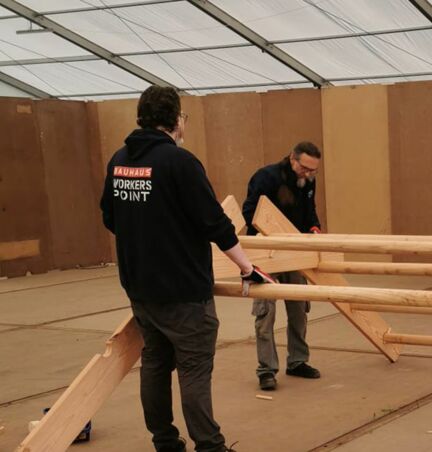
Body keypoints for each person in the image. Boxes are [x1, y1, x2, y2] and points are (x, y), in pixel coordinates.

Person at [100, 85, 271, 452]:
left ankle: (165, 442)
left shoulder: (119, 161)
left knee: (156, 364)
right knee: (194, 370)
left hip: (141, 289)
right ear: (176, 119)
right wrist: (246, 267)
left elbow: (110, 217)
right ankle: (210, 446)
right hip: (182, 291)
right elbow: (216, 224)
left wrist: (146, 237)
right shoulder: (179, 162)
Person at [242, 142, 323, 391]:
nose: (308, 174)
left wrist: (314, 229)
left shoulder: (308, 182)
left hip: (295, 253)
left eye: (313, 171)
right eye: (305, 168)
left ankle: (298, 361)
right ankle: (266, 370)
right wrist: (273, 233)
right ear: (292, 159)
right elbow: (249, 213)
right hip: (265, 253)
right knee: (265, 314)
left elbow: (310, 212)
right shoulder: (265, 177)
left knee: (299, 309)